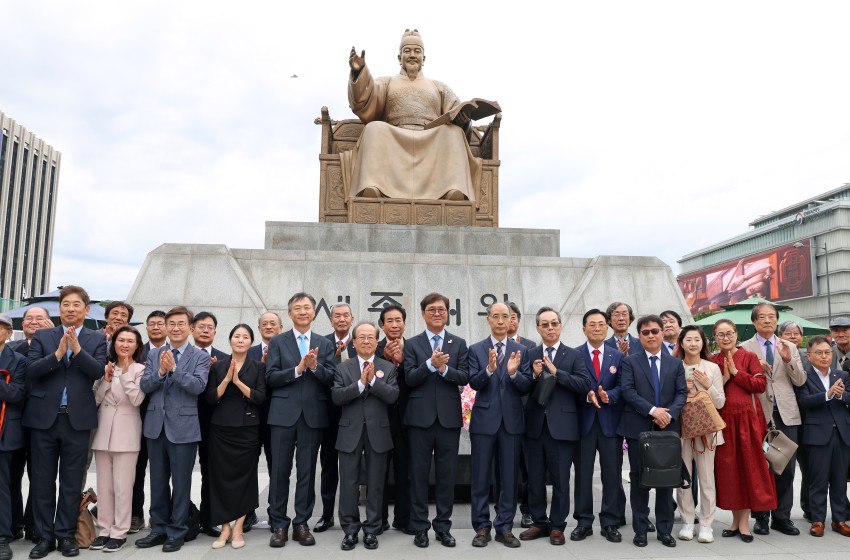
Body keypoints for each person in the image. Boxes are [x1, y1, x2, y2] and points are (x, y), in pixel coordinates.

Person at [342, 29, 483, 201]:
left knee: (453, 133)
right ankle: (374, 186)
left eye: (417, 51)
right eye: (407, 51)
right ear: (399, 57)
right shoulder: (387, 82)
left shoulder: (439, 87)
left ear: (424, 58)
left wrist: (464, 121)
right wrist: (360, 72)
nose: (412, 55)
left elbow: (456, 109)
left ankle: (452, 189)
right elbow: (365, 99)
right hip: (395, 135)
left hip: (431, 137)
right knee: (373, 128)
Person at [25, 285, 107, 559]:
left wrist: (77, 350)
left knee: (71, 482)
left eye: (76, 305)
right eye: (65, 305)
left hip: (77, 421)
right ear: (59, 309)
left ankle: (65, 536)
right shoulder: (43, 336)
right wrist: (59, 354)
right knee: (42, 481)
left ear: (86, 309)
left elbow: (97, 371)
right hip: (43, 420)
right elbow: (33, 371)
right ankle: (45, 537)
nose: (70, 309)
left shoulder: (96, 339)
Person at [136, 306, 210, 553]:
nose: (176, 328)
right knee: (157, 482)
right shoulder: (155, 354)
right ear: (166, 328)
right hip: (156, 427)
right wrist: (160, 371)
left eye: (181, 324)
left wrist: (175, 371)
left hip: (184, 428)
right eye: (172, 324)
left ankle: (177, 530)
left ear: (190, 328)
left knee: (181, 483)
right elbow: (145, 385)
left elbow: (198, 386)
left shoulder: (199, 356)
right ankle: (158, 528)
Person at [265, 293, 336, 548]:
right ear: (290, 313)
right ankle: (279, 524)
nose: (303, 311)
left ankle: (301, 523)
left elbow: (331, 379)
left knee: (307, 472)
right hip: (283, 415)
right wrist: (297, 369)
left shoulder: (324, 344)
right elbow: (270, 377)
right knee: (280, 471)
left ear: (314, 313)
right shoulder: (278, 342)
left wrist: (315, 367)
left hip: (313, 417)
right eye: (298, 308)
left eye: (307, 307)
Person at [519, 307, 591, 546]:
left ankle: (557, 526)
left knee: (561, 480)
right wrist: (533, 374)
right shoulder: (529, 354)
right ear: (538, 328)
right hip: (535, 427)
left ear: (560, 326)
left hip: (562, 427)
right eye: (545, 324)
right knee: (535, 479)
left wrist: (556, 372)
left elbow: (583, 384)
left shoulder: (574, 355)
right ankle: (539, 522)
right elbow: (520, 388)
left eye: (554, 323)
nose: (550, 328)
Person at [404, 293, 469, 549]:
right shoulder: (413, 344)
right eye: (431, 310)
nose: (437, 314)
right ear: (423, 314)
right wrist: (430, 365)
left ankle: (443, 527)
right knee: (418, 475)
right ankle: (420, 527)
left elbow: (464, 376)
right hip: (419, 420)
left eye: (441, 310)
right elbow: (409, 378)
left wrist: (444, 370)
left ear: (448, 313)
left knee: (446, 476)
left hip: (448, 420)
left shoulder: (458, 343)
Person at [618, 315, 687, 548]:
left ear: (662, 333)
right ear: (639, 335)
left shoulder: (675, 363)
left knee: (666, 479)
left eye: (655, 331)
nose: (651, 335)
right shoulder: (630, 362)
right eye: (645, 332)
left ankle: (665, 530)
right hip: (638, 427)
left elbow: (681, 393)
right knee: (640, 480)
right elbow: (628, 391)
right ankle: (640, 530)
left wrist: (668, 413)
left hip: (668, 429)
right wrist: (653, 410)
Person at [468, 302, 532, 548]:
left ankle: (504, 527)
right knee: (481, 477)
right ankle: (482, 526)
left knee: (508, 478)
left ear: (512, 320)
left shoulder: (522, 350)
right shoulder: (476, 349)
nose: (501, 321)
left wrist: (514, 374)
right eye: (496, 316)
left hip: (512, 422)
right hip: (484, 422)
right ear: (488, 320)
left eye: (506, 316)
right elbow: (473, 382)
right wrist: (489, 370)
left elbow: (526, 385)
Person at [332, 322, 399, 551]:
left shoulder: (387, 368)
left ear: (377, 341)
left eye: (371, 337)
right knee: (349, 483)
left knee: (376, 483)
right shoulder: (343, 368)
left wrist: (373, 382)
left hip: (377, 432)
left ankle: (372, 529)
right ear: (354, 341)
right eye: (362, 337)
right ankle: (350, 530)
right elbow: (337, 396)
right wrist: (360, 384)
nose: (367, 341)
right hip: (349, 431)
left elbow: (392, 396)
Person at [740, 302, 805, 536]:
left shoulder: (789, 346)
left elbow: (799, 380)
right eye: (762, 317)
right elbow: (740, 380)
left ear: (777, 320)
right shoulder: (744, 347)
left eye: (771, 317)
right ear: (754, 321)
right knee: (761, 466)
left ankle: (782, 517)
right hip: (758, 413)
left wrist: (788, 360)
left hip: (786, 413)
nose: (767, 320)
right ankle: (761, 517)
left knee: (785, 467)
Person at [710, 319, 776, 543]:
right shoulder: (712, 361)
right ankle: (734, 521)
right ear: (715, 338)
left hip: (749, 420)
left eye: (729, 333)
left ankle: (745, 523)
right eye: (720, 335)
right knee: (729, 469)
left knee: (749, 468)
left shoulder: (749, 357)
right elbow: (711, 391)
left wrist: (737, 373)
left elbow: (759, 385)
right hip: (724, 421)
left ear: (736, 334)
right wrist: (726, 376)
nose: (725, 338)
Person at [205, 324, 266, 550]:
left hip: (247, 428)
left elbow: (260, 397)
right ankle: (225, 528)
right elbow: (211, 397)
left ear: (251, 342)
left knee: (245, 477)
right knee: (219, 478)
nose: (240, 340)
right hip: (221, 428)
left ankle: (239, 526)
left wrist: (238, 381)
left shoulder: (258, 367)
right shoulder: (218, 366)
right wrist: (227, 379)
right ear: (230, 340)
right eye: (236, 336)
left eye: (245, 337)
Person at [91, 326, 146, 552]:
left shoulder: (141, 369)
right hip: (103, 432)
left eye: (129, 341)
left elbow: (137, 399)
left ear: (136, 346)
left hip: (127, 433)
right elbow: (95, 398)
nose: (124, 344)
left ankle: (120, 531)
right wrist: (105, 380)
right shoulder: (105, 367)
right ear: (113, 344)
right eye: (120, 340)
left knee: (123, 487)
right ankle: (104, 530)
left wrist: (124, 376)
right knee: (104, 487)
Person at [573, 308, 626, 543]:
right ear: (583, 328)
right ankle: (584, 522)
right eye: (592, 324)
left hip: (609, 424)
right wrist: (587, 396)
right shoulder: (574, 355)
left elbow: (625, 387)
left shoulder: (618, 357)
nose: (597, 328)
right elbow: (568, 387)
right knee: (583, 475)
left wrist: (609, 396)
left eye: (601, 324)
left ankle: (610, 522)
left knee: (612, 475)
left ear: (607, 328)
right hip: (583, 424)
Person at [674, 326, 725, 543]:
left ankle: (706, 524)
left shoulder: (712, 368)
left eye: (697, 339)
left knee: (706, 478)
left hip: (706, 430)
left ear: (703, 343)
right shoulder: (674, 366)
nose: (693, 343)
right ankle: (687, 520)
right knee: (683, 478)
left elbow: (721, 401)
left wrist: (708, 385)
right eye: (689, 339)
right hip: (682, 429)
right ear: (681, 343)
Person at [798, 335, 850, 537]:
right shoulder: (805, 376)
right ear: (809, 356)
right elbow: (804, 401)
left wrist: (839, 394)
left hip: (843, 433)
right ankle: (818, 520)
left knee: (839, 479)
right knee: (818, 480)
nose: (824, 356)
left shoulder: (842, 374)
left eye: (827, 352)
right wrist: (827, 395)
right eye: (818, 352)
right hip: (817, 434)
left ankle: (839, 520)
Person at [7, 307, 51, 543]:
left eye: (39, 318)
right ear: (22, 324)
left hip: (43, 423)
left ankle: (34, 524)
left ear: (49, 322)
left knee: (40, 477)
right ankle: (13, 524)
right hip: (13, 422)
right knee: (11, 475)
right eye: (29, 319)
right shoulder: (12, 349)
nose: (33, 322)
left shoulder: (57, 346)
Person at [315, 303, 356, 534]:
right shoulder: (322, 344)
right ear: (331, 320)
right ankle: (327, 515)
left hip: (357, 413)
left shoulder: (360, 340)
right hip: (330, 414)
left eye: (345, 316)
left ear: (352, 318)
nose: (341, 319)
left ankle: (354, 516)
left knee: (354, 467)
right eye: (337, 316)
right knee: (329, 465)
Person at [375, 304, 412, 534]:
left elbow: (417, 379)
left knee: (404, 471)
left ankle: (403, 518)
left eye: (398, 320)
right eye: (389, 321)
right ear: (382, 325)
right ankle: (378, 519)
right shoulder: (374, 348)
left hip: (407, 419)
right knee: (378, 471)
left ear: (404, 323)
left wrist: (403, 361)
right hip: (380, 418)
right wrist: (384, 359)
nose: (395, 325)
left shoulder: (415, 347)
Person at [191, 312, 228, 538]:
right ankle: (181, 517)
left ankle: (208, 518)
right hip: (183, 421)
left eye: (210, 327)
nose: (205, 330)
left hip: (212, 423)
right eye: (201, 326)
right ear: (192, 329)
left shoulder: (224, 359)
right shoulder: (182, 355)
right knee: (180, 472)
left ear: (215, 332)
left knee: (210, 473)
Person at [131, 310, 166, 535]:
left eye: (159, 324)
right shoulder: (137, 352)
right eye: (151, 324)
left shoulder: (176, 352)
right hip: (137, 418)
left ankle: (160, 515)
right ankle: (135, 514)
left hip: (165, 420)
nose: (155, 327)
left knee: (163, 472)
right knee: (137, 469)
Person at [246, 311, 282, 529]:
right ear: (259, 328)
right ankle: (247, 512)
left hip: (277, 417)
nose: (269, 327)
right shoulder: (249, 352)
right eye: (264, 324)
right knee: (248, 467)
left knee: (276, 467)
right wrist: (258, 368)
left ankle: (275, 512)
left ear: (280, 327)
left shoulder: (287, 350)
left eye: (273, 324)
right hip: (250, 417)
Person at [504, 302, 534, 528]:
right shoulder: (492, 346)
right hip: (502, 416)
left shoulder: (530, 347)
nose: (510, 321)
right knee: (503, 467)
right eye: (505, 316)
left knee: (527, 466)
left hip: (525, 413)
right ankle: (503, 510)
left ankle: (527, 510)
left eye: (513, 317)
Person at [778, 320, 811, 521]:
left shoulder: (811, 357)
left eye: (796, 333)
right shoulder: (775, 356)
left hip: (808, 421)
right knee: (782, 466)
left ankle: (808, 506)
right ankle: (779, 512)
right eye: (788, 333)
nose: (793, 337)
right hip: (784, 418)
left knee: (808, 467)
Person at [0, 314, 26, 560]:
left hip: (5, 430)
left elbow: (16, 393)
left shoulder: (17, 361)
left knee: (3, 486)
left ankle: (2, 536)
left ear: (9, 333)